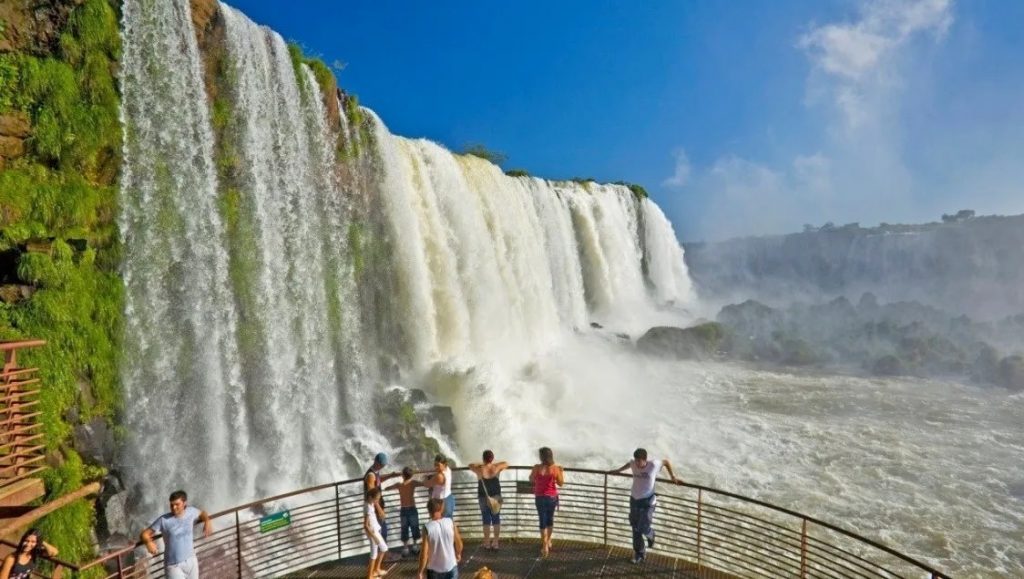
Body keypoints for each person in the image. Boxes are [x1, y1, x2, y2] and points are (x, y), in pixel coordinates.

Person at [609, 448, 683, 564]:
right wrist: (618, 470)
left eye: (639, 461)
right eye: (636, 460)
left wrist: (672, 476)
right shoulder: (634, 463)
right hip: (634, 500)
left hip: (648, 502)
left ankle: (651, 534)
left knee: (643, 527)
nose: (637, 464)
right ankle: (640, 554)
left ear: (645, 460)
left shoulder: (653, 465)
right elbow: (630, 464)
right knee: (635, 529)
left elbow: (666, 462)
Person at [141, 490, 213, 579]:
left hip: (191, 561)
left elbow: (203, 513)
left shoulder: (191, 511)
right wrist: (148, 543)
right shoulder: (164, 520)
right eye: (171, 505)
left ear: (184, 503)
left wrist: (207, 520)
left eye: (177, 504)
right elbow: (144, 534)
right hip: (174, 566)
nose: (174, 507)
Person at [468, 450, 508, 550]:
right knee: (496, 519)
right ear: (492, 458)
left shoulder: (480, 469)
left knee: (486, 519)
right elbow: (506, 463)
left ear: (483, 458)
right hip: (496, 497)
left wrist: (482, 463)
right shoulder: (496, 468)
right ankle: (495, 543)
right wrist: (494, 464)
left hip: (483, 497)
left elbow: (470, 465)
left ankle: (486, 543)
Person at [529, 447, 563, 557]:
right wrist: (561, 472)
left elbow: (531, 479)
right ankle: (548, 541)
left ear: (541, 457)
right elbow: (561, 483)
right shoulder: (555, 468)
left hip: (539, 497)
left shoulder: (536, 468)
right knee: (550, 519)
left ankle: (544, 545)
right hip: (551, 497)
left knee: (542, 520)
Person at [417, 497, 463, 579]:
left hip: (434, 571)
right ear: (441, 509)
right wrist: (458, 554)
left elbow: (424, 554)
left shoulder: (427, 528)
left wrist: (420, 572)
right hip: (451, 566)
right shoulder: (450, 522)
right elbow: (459, 543)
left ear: (429, 511)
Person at [385, 466, 423, 556]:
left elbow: (387, 488)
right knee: (414, 527)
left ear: (402, 475)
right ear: (411, 475)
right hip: (412, 509)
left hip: (403, 509)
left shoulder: (399, 485)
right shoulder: (413, 483)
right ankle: (415, 545)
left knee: (404, 528)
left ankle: (405, 547)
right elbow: (423, 484)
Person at [364, 452, 401, 543]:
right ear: (377, 462)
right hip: (375, 507)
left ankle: (384, 553)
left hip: (378, 505)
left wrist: (391, 476)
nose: (383, 466)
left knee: (383, 529)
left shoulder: (375, 472)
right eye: (382, 464)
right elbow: (372, 495)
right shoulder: (370, 476)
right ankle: (382, 554)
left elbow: (379, 480)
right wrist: (379, 509)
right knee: (381, 531)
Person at [364, 487, 389, 579]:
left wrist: (376, 504)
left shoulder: (371, 504)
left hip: (375, 530)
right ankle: (370, 576)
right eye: (377, 499)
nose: (377, 500)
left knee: (384, 548)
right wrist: (374, 537)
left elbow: (382, 515)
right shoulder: (367, 507)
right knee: (373, 554)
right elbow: (366, 525)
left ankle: (376, 570)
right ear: (371, 497)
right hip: (372, 533)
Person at [422, 454, 454, 519]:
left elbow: (426, 484)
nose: (436, 467)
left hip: (441, 503)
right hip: (449, 498)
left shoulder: (439, 476)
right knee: (448, 523)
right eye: (435, 464)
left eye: (438, 465)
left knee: (440, 524)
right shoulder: (448, 469)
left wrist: (426, 477)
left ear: (444, 464)